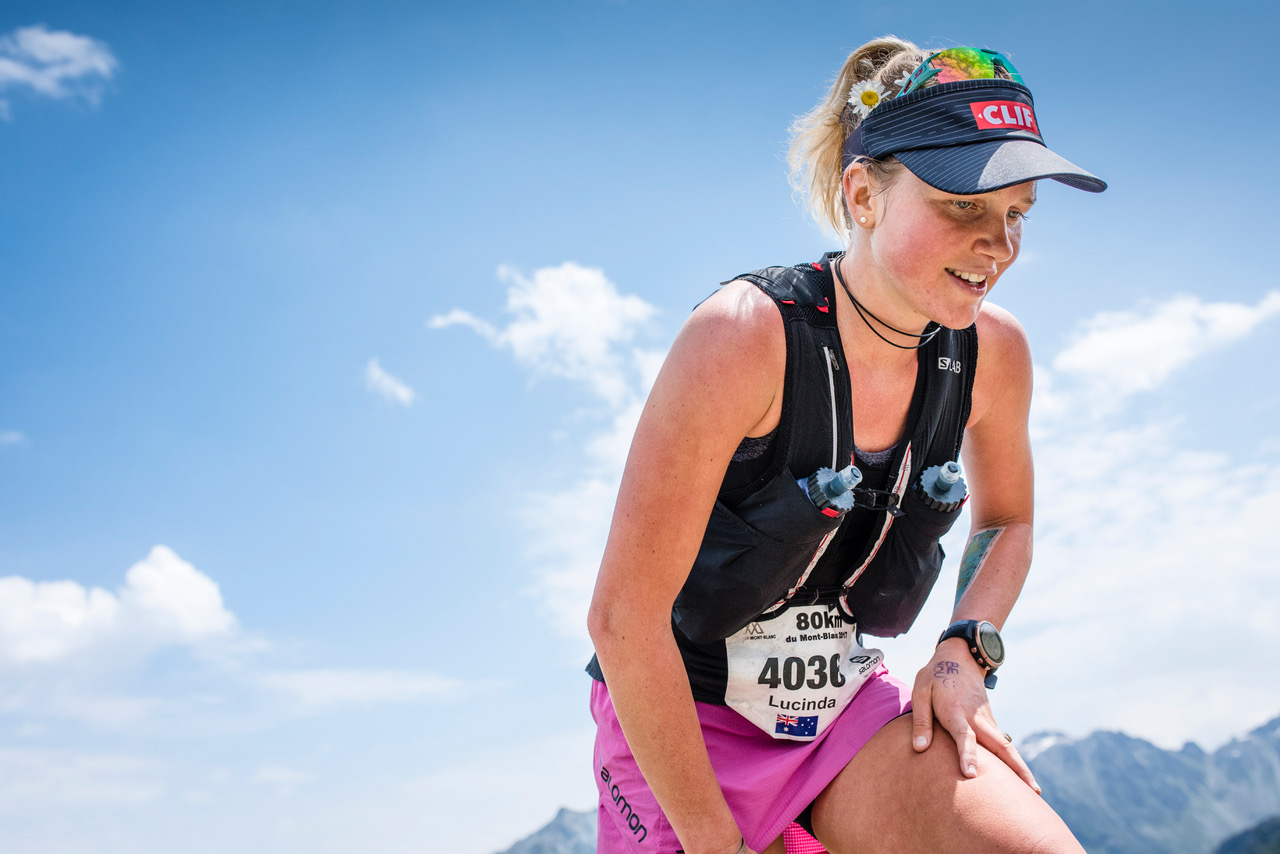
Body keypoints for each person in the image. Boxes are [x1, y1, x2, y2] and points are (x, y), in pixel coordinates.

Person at [586, 36, 1105, 854]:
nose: (999, 246)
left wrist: (964, 653)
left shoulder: (992, 356)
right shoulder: (743, 338)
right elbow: (622, 619)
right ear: (864, 195)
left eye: (1016, 215)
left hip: (845, 721)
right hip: (682, 729)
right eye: (963, 205)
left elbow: (1009, 521)